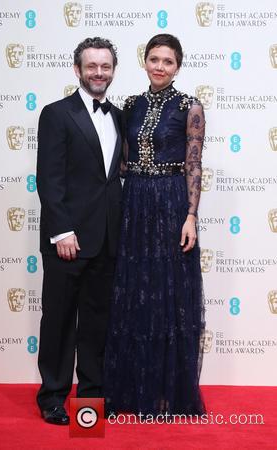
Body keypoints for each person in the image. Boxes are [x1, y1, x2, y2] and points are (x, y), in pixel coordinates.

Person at [104, 33, 206, 417]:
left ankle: (168, 392)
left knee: (170, 295)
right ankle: (132, 388)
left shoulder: (189, 106)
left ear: (178, 66)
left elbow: (194, 164)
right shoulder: (130, 105)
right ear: (144, 61)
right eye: (154, 59)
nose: (160, 66)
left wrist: (191, 216)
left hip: (171, 202)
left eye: (168, 61)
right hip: (136, 201)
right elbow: (124, 162)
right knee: (134, 293)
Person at [36, 37, 122, 425]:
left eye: (105, 66)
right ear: (77, 70)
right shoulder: (56, 114)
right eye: (92, 66)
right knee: (58, 322)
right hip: (67, 240)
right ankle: (52, 396)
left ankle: (90, 396)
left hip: (106, 239)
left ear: (113, 71)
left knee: (96, 322)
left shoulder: (118, 115)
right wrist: (62, 232)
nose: (99, 73)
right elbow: (49, 179)